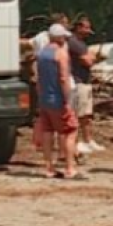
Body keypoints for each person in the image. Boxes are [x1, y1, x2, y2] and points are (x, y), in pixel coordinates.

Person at [35, 24, 82, 179]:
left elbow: (38, 79)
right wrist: (67, 100)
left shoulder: (41, 54)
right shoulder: (61, 54)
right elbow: (63, 78)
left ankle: (49, 168)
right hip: (58, 98)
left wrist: (40, 97)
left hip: (44, 99)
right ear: (60, 37)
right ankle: (70, 168)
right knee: (70, 130)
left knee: (48, 132)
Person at [68, 17, 105, 155]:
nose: (88, 32)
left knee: (87, 114)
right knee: (78, 113)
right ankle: (77, 142)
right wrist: (96, 58)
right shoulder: (74, 42)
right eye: (85, 28)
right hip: (78, 82)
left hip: (85, 81)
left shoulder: (81, 43)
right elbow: (87, 61)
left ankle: (88, 140)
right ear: (78, 27)